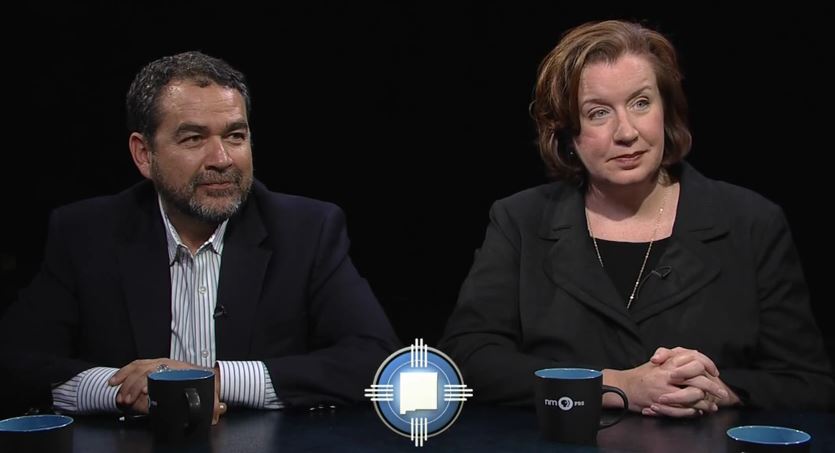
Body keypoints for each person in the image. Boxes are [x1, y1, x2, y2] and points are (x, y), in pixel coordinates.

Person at [439, 20, 835, 416]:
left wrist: (720, 390)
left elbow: (808, 381)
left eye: (641, 103)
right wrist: (616, 386)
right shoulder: (520, 221)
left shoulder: (752, 222)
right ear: (568, 134)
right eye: (598, 113)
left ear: (667, 111)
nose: (626, 132)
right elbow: (469, 360)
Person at [0, 51, 400, 420]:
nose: (222, 159)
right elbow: (15, 365)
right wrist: (125, 391)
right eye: (193, 139)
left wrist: (216, 380)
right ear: (144, 154)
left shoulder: (308, 230)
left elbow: (376, 360)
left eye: (235, 136)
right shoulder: (84, 234)